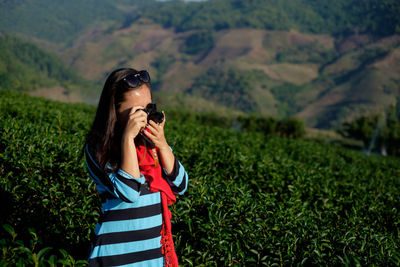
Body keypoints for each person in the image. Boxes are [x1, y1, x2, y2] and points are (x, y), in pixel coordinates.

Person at [84, 68, 188, 266]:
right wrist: (127, 139)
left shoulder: (150, 145)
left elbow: (181, 185)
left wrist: (162, 144)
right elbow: (129, 191)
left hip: (152, 258)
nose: (144, 116)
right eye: (135, 111)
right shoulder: (98, 149)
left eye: (147, 107)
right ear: (114, 110)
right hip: (115, 259)